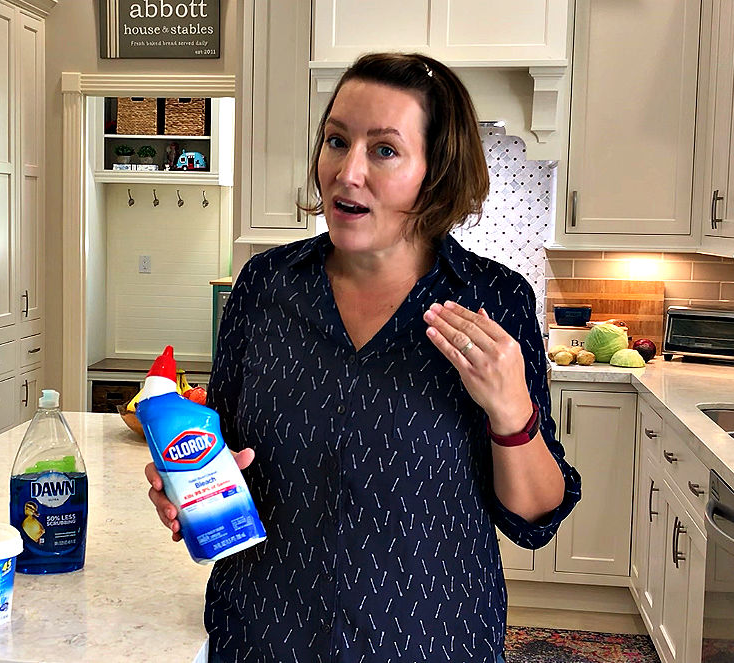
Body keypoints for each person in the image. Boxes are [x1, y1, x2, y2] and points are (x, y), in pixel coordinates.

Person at [146, 52, 581, 663]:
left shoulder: (492, 301)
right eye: (336, 140)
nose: (347, 172)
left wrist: (512, 409)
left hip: (430, 639)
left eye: (384, 149)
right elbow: (218, 453)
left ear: (435, 172)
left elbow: (535, 517)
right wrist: (187, 485)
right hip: (266, 634)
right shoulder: (264, 286)